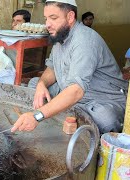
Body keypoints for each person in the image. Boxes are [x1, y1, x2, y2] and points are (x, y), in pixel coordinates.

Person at [11, 0, 128, 134]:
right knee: (34, 85)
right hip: (70, 90)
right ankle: (64, 111)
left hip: (99, 99)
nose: (47, 24)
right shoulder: (60, 35)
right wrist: (41, 84)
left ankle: (62, 113)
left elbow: (76, 91)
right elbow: (52, 67)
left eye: (53, 18)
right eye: (46, 18)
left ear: (70, 17)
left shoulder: (84, 41)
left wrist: (37, 116)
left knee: (105, 119)